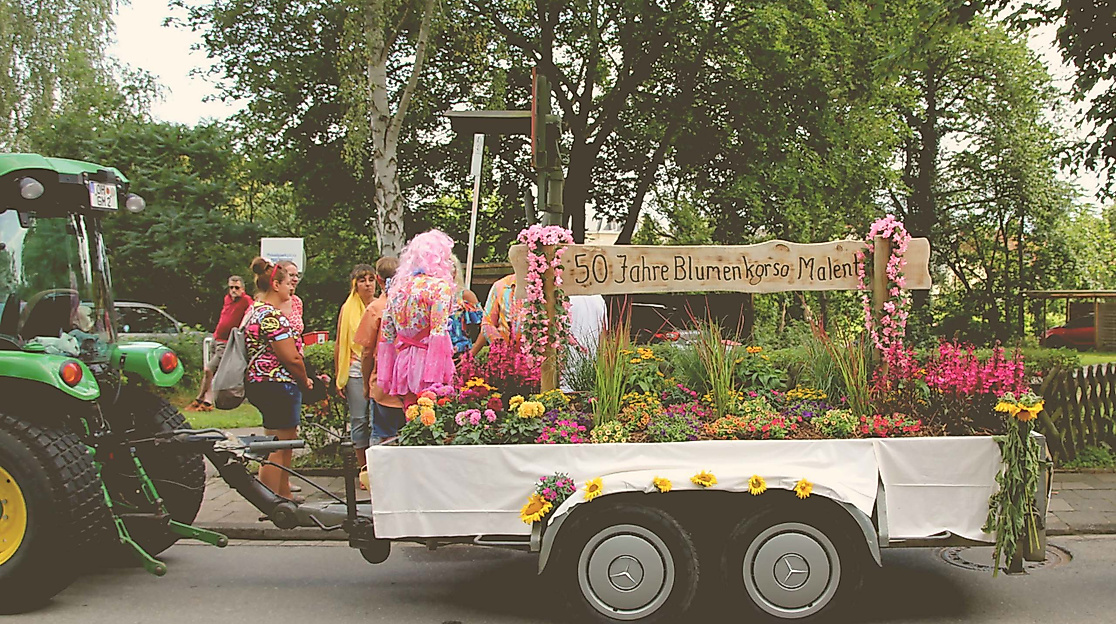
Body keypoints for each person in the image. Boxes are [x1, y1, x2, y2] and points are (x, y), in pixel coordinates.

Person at [242, 257, 315, 502]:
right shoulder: (272, 316)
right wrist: (304, 380)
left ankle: (277, 494)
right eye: (287, 284)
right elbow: (290, 357)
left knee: (270, 443)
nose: (291, 288)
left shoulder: (254, 310)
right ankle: (276, 499)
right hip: (278, 383)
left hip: (259, 382)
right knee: (282, 445)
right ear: (275, 285)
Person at [377, 230, 457, 404]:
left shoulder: (397, 289)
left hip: (403, 362)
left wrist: (387, 371)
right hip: (429, 363)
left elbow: (387, 335)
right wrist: (437, 373)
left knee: (411, 416)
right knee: (434, 417)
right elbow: (438, 331)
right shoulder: (439, 288)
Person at [354, 257, 401, 475]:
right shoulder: (411, 304)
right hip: (409, 386)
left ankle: (385, 481)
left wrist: (365, 384)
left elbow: (366, 353)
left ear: (379, 280)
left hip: (383, 385)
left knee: (384, 439)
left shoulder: (375, 309)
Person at [187, 275, 253, 412]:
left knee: (209, 369)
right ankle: (207, 402)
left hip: (226, 343)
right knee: (212, 373)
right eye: (231, 288)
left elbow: (251, 313)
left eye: (237, 288)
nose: (233, 290)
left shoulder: (246, 301)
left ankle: (199, 398)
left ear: (243, 289)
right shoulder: (227, 299)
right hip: (216, 338)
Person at [334, 263, 377, 468]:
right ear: (355, 285)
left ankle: (377, 463)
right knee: (359, 418)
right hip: (354, 370)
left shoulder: (381, 305)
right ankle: (363, 466)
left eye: (371, 279)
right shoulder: (347, 308)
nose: (367, 285)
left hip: (378, 370)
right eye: (362, 280)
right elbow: (340, 343)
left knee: (376, 419)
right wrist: (338, 376)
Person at [470, 272, 522, 357]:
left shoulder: (546, 286)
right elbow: (487, 322)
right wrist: (501, 348)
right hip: (505, 359)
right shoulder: (501, 286)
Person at [448, 256, 482, 360]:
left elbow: (486, 326)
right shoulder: (429, 297)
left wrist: (471, 353)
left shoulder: (464, 296)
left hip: (460, 357)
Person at [275, 260, 303, 337]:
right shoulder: (269, 302)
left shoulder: (296, 301)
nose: (295, 279)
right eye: (291, 275)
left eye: (297, 276)